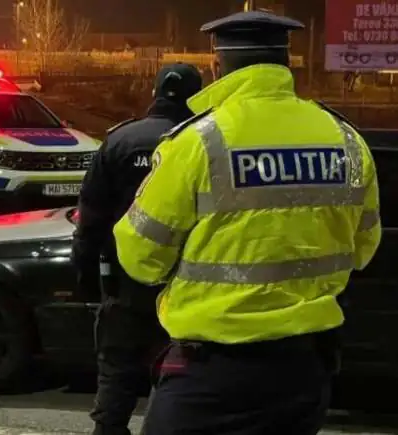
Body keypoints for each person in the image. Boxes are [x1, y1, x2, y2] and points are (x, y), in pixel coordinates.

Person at [113, 10, 382, 435]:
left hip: (212, 374)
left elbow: (141, 257)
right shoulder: (346, 140)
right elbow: (363, 249)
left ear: (216, 64)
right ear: (286, 62)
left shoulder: (199, 142)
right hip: (304, 371)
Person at [72, 63, 203, 435]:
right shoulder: (204, 142)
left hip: (125, 285)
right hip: (185, 287)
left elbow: (90, 219)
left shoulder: (120, 140)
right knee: (177, 380)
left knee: (117, 376)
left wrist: (86, 278)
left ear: (154, 92)